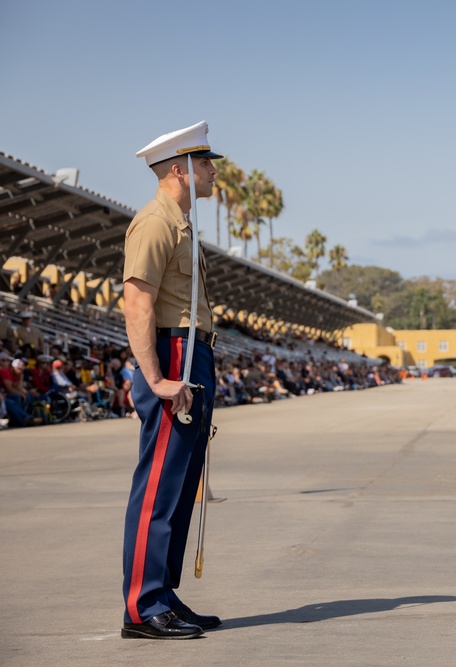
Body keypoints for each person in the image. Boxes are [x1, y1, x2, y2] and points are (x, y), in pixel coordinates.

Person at [120, 121, 223, 640]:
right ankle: (141, 606)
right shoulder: (156, 222)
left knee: (181, 487)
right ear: (179, 170)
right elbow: (137, 302)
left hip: (193, 353)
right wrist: (155, 377)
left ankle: (163, 592)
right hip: (172, 353)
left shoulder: (182, 223)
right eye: (206, 164)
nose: (213, 172)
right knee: (160, 483)